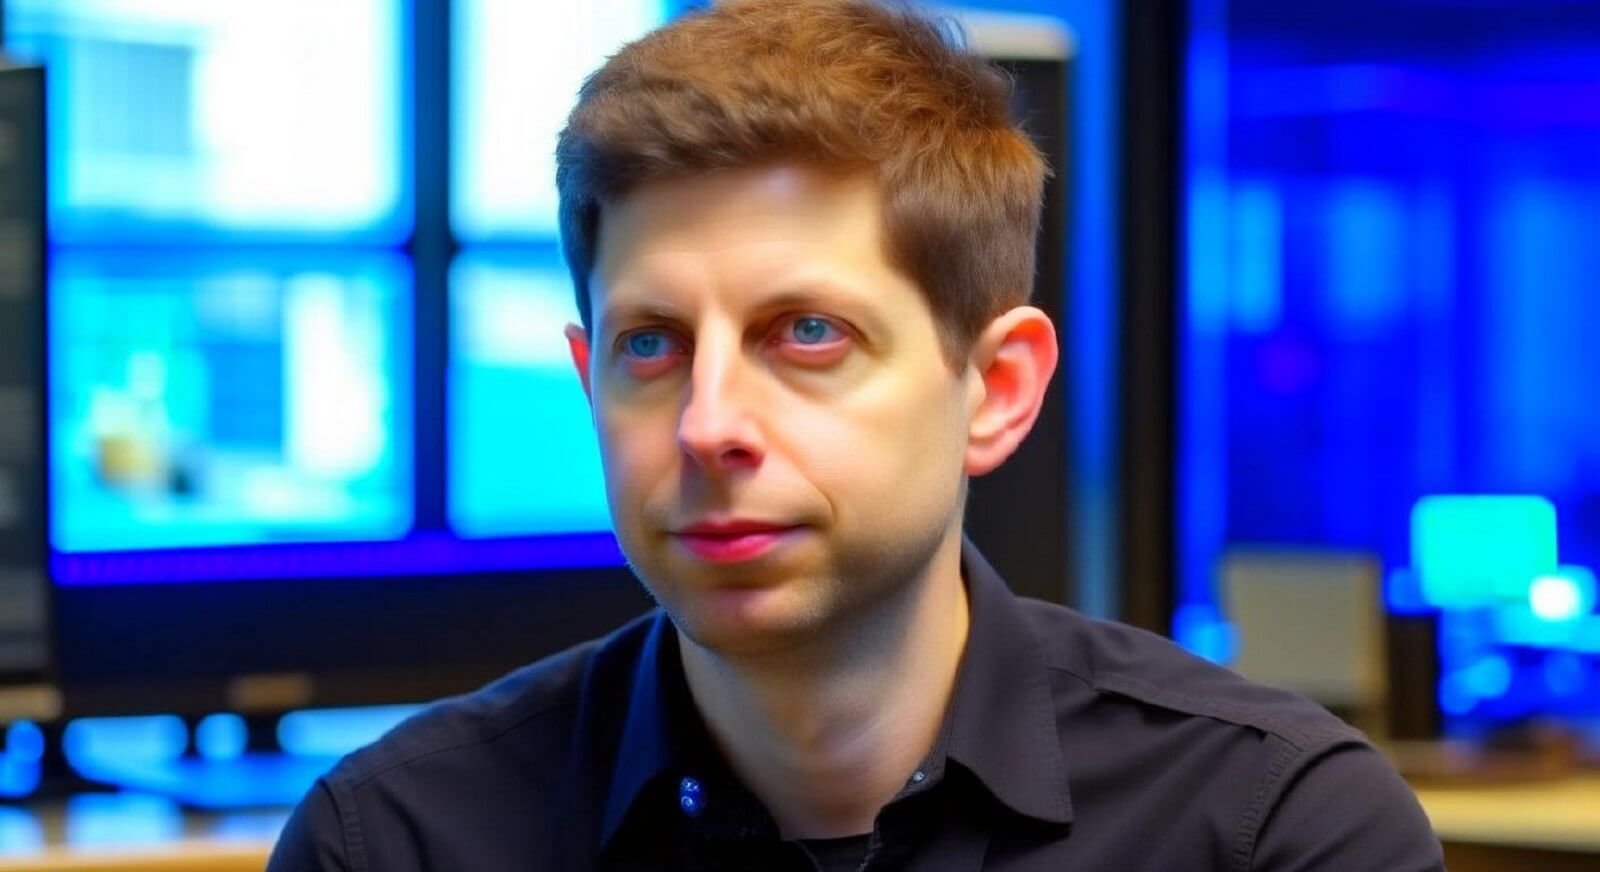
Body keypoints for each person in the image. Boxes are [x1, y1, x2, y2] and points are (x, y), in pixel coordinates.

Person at [268, 1, 1443, 869]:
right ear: (589, 382)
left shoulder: (1272, 830)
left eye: (808, 332)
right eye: (651, 344)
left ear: (995, 388)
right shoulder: (394, 842)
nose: (708, 424)